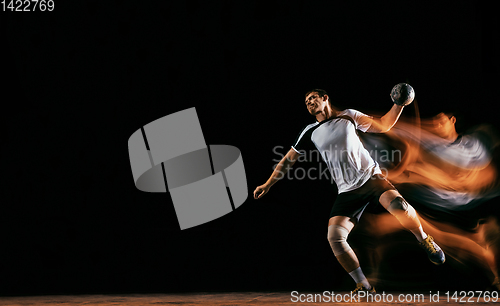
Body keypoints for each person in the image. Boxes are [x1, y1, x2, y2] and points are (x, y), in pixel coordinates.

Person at [253, 89, 445, 293]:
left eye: (313, 98)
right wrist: (267, 184)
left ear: (325, 98)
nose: (309, 102)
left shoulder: (349, 116)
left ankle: (424, 239)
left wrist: (399, 104)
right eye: (306, 101)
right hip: (347, 190)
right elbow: (288, 160)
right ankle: (363, 284)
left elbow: (384, 125)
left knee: (400, 206)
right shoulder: (309, 131)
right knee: (334, 237)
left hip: (370, 178)